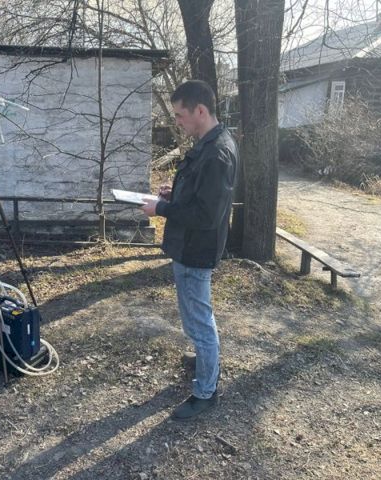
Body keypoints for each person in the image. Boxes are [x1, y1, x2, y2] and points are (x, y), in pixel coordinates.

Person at [142, 80, 238, 421]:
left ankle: (206, 391)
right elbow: (201, 196)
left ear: (200, 110)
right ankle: (203, 359)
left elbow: (206, 216)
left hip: (197, 249)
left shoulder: (217, 153)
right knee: (196, 318)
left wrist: (161, 209)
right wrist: (175, 193)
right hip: (189, 246)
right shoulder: (209, 143)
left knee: (200, 321)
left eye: (180, 116)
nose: (177, 122)